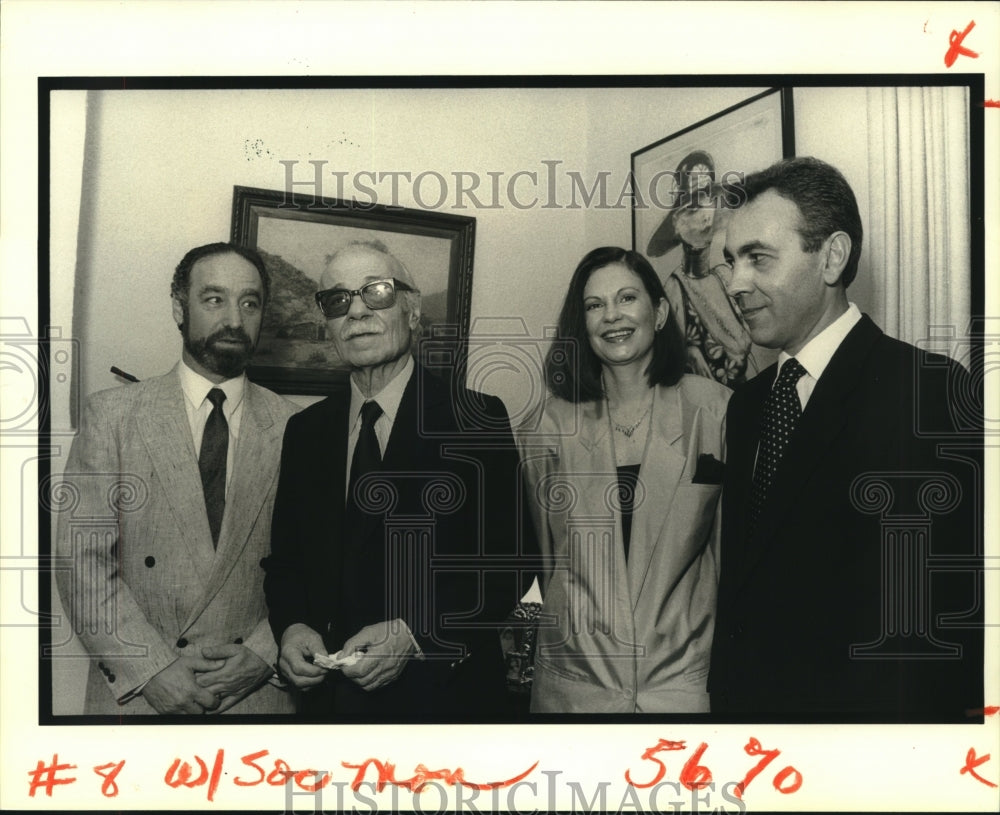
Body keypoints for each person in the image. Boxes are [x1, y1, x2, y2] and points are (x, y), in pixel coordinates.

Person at [710, 156, 983, 719]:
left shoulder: (927, 393)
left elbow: (955, 616)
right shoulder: (747, 407)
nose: (735, 284)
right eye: (731, 262)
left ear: (831, 256)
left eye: (758, 257)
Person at [264, 240, 532, 721]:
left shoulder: (475, 419)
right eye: (338, 300)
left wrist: (415, 634)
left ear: (412, 312)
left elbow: (511, 563)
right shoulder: (304, 431)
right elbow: (285, 563)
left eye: (377, 292)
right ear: (327, 325)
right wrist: (292, 627)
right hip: (328, 711)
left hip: (444, 706)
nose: (357, 311)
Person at [55, 242, 298, 715]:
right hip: (139, 697)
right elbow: (80, 561)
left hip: (256, 699)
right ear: (178, 308)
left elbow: (317, 566)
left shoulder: (296, 426)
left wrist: (263, 656)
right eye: (214, 299)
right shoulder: (113, 415)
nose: (234, 317)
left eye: (250, 303)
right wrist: (152, 670)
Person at [516, 247, 730, 713]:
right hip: (575, 686)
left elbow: (729, 557)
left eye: (627, 298)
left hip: (686, 683)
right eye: (594, 305)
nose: (612, 316)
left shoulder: (716, 411)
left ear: (660, 312)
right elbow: (547, 560)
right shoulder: (549, 425)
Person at [646, 150, 757, 386]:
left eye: (709, 200)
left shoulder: (727, 277)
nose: (705, 215)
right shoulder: (675, 290)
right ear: (678, 222)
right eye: (694, 206)